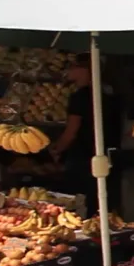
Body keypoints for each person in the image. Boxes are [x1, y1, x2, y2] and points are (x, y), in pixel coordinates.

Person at [49, 54, 122, 218]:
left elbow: (71, 131)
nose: (69, 71)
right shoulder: (108, 94)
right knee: (103, 199)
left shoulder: (80, 97)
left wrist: (57, 149)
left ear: (85, 70)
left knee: (82, 201)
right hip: (106, 156)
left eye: (73, 67)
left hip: (83, 157)